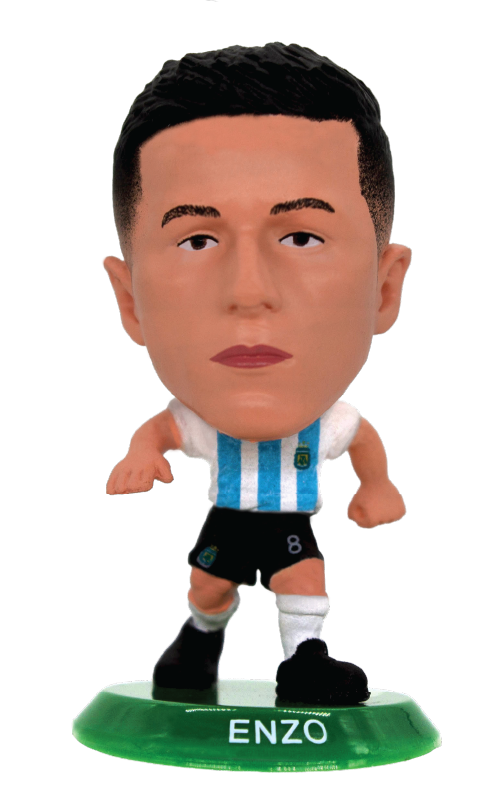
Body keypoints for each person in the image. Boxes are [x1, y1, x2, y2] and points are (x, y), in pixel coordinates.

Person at [101, 42, 411, 705]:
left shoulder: (332, 423)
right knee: (210, 587)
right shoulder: (200, 424)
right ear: (129, 302)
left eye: (301, 238)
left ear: (384, 290)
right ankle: (198, 637)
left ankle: (306, 659)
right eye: (198, 240)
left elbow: (362, 443)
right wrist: (139, 453)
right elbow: (162, 431)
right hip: (228, 519)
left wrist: (378, 483)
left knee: (304, 578)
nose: (248, 292)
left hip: (289, 518)